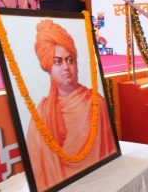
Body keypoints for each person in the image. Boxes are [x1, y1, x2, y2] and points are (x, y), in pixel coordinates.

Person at [27, 19, 116, 191]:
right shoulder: (42, 113)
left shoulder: (96, 103)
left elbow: (107, 153)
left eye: (70, 60)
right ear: (49, 68)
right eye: (58, 62)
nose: (66, 67)